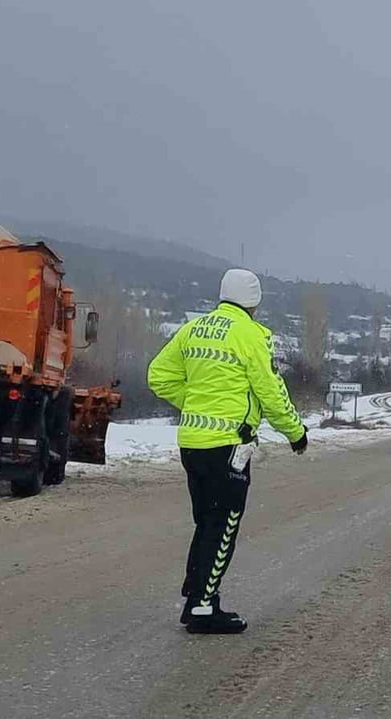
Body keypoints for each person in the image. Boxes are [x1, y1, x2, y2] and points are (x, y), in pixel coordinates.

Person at [147, 268, 308, 634]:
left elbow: (158, 375)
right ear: (254, 301)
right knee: (224, 523)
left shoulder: (193, 329)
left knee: (207, 520)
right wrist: (295, 433)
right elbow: (271, 391)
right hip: (228, 446)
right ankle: (203, 606)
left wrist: (194, 404)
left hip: (192, 444)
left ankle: (197, 592)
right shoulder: (251, 335)